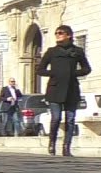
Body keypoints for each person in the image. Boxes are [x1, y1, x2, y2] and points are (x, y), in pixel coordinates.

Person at [38, 24, 92, 157]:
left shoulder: (77, 51)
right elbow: (40, 70)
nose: (57, 35)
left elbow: (86, 69)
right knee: (56, 118)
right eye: (56, 33)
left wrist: (74, 73)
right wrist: (54, 73)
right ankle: (52, 143)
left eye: (60, 33)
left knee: (71, 119)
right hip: (55, 89)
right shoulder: (51, 52)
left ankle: (66, 147)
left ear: (69, 35)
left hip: (71, 88)